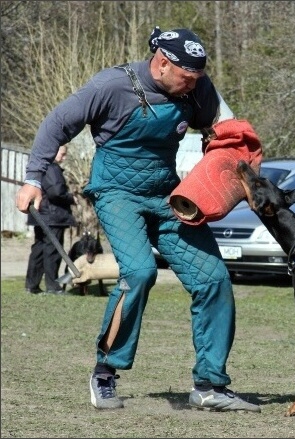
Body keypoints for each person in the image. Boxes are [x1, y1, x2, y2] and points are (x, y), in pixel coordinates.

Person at [16, 26, 262, 413]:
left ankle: (210, 385)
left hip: (169, 196)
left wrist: (238, 162)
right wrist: (33, 178)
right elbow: (57, 122)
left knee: (213, 278)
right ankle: (104, 373)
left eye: (198, 79)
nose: (193, 86)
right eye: (187, 78)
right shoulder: (111, 86)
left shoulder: (197, 87)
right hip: (116, 193)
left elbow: (225, 130)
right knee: (139, 273)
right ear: (162, 64)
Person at [24, 144, 77, 294]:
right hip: (53, 216)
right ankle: (53, 287)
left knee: (39, 250)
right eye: (63, 154)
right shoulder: (52, 168)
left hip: (40, 215)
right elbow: (56, 192)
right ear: (53, 151)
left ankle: (31, 285)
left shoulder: (40, 168)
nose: (64, 157)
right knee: (52, 251)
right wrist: (71, 198)